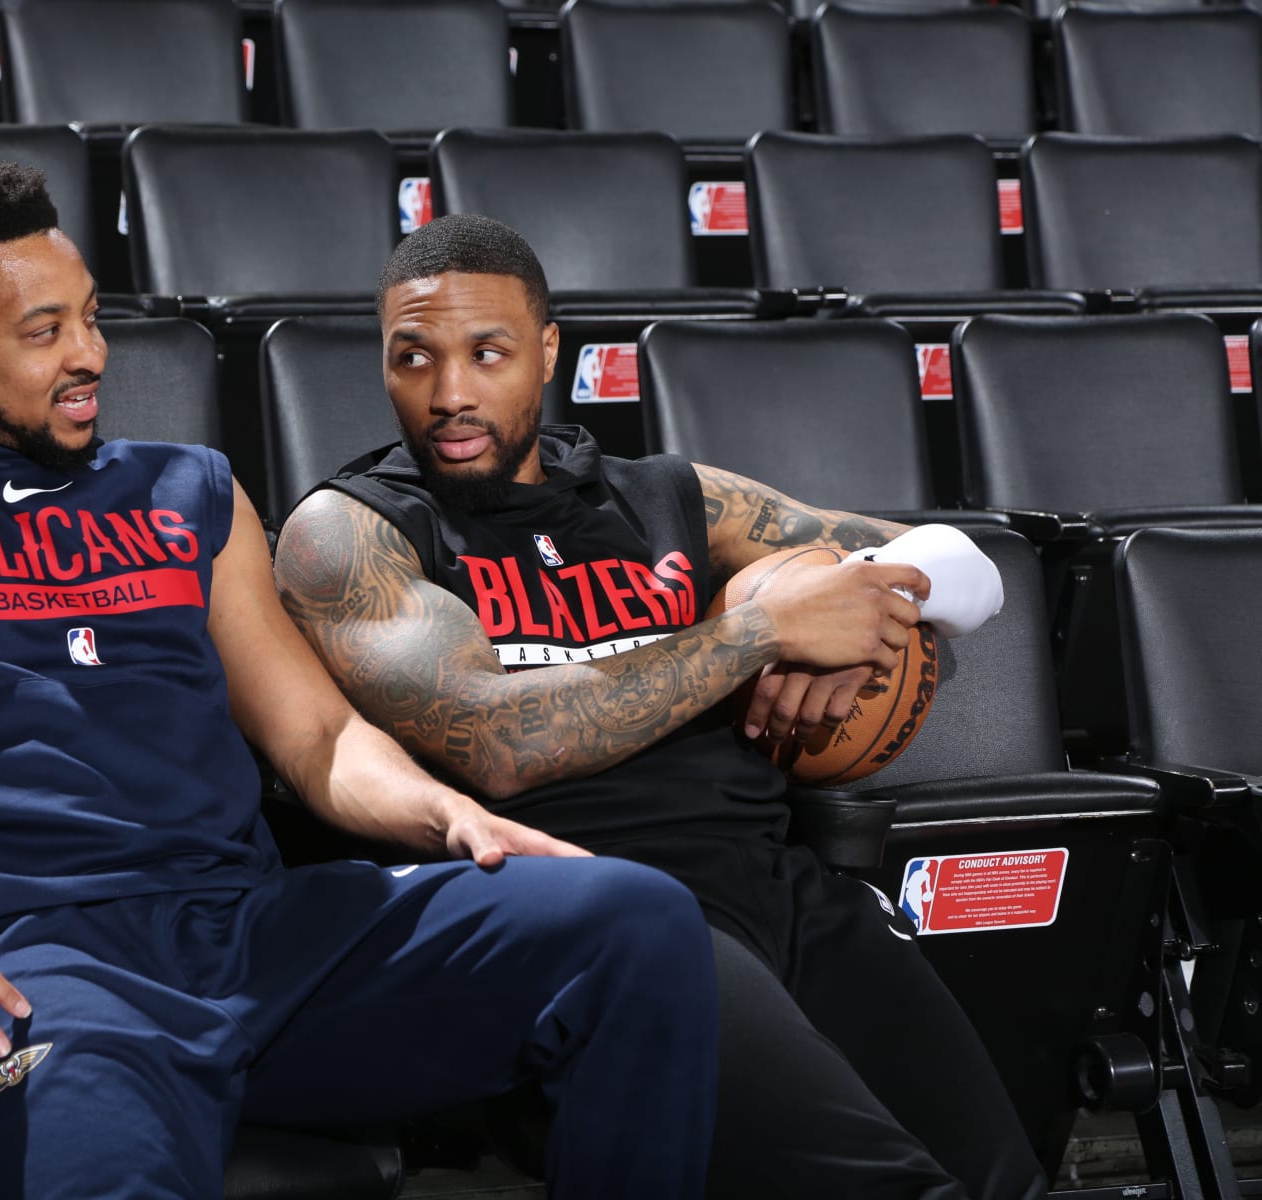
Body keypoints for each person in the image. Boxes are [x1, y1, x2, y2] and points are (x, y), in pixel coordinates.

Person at [0, 164, 719, 1198]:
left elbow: (318, 742)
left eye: (90, 316)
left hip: (263, 941)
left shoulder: (188, 490)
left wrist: (447, 816)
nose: (89, 352)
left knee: (633, 920)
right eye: (44, 333)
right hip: (37, 973)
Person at [272, 213, 1049, 1200]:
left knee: (1009, 1182)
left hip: (780, 889)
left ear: (548, 352)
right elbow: (499, 739)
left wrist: (857, 626)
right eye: (413, 357)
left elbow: (963, 565)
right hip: (597, 928)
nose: (450, 393)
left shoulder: (665, 496)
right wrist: (762, 632)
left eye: (488, 353)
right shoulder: (352, 533)